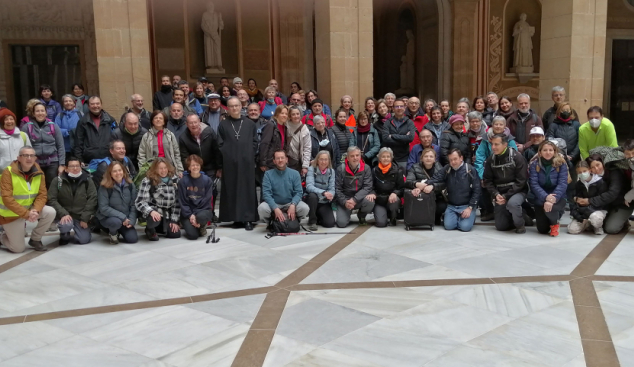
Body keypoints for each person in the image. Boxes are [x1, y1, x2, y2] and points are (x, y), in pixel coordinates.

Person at [0, 146, 55, 252]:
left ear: (35, 158)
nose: (29, 158)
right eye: (25, 155)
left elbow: (42, 195)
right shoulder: (8, 172)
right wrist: (26, 214)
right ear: (19, 158)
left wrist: (36, 210)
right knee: (18, 249)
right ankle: (2, 237)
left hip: (29, 210)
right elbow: (7, 198)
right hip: (11, 214)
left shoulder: (39, 172)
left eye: (32, 155)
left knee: (50, 212)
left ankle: (35, 239)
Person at [218, 97, 259, 230]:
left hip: (247, 163)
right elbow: (220, 143)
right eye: (231, 106)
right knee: (232, 190)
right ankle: (236, 218)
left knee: (247, 190)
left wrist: (248, 153)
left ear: (241, 107)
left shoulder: (250, 124)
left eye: (236, 106)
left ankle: (248, 219)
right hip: (230, 164)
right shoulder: (223, 125)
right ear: (227, 108)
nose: (234, 108)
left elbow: (255, 142)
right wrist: (229, 154)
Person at [422, 149, 480, 231]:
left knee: (465, 227)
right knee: (449, 226)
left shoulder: (470, 169)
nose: (453, 162)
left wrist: (470, 207)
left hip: (466, 205)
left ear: (461, 158)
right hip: (452, 206)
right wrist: (422, 185)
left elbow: (477, 190)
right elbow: (436, 178)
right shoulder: (447, 169)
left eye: (455, 159)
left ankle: (470, 217)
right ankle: (455, 217)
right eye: (450, 160)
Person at [483, 134, 528, 233]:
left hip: (517, 191)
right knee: (501, 226)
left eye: (496, 144)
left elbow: (521, 181)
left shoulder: (517, 157)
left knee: (513, 204)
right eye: (492, 144)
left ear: (505, 145)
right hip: (500, 193)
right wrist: (496, 194)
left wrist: (506, 196)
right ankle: (521, 215)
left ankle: (520, 225)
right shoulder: (490, 160)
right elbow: (487, 181)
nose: (493, 147)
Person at [48, 156, 97, 245]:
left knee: (84, 240)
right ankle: (64, 234)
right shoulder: (58, 181)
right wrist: (63, 213)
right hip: (64, 214)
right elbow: (52, 199)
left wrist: (85, 218)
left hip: (80, 215)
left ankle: (82, 231)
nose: (75, 168)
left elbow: (92, 198)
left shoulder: (87, 180)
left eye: (77, 166)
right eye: (71, 166)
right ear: (66, 168)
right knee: (66, 225)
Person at [22, 102, 66, 191]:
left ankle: (51, 204)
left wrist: (62, 164)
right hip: (35, 162)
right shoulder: (27, 127)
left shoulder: (54, 126)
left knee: (52, 186)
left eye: (42, 111)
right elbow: (23, 148)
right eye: (37, 111)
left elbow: (60, 146)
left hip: (52, 162)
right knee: (37, 186)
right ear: (33, 113)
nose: (40, 113)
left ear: (46, 113)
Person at [528, 141, 568, 236]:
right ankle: (551, 217)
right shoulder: (534, 165)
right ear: (540, 152)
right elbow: (534, 184)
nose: (548, 152)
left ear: (555, 152)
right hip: (541, 197)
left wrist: (552, 198)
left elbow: (562, 183)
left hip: (558, 196)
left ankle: (555, 224)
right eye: (545, 150)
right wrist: (546, 197)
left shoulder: (561, 164)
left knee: (550, 209)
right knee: (542, 230)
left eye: (551, 150)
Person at [258, 150, 309, 225]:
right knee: (262, 208)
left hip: (290, 203)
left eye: (282, 158)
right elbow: (266, 194)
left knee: (305, 208)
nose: (280, 160)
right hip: (275, 203)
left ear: (286, 159)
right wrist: (275, 208)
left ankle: (293, 220)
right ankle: (272, 222)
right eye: (278, 158)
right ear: (274, 161)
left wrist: (293, 205)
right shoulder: (268, 174)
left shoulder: (295, 173)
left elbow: (298, 192)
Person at [135, 158, 181, 241]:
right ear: (155, 169)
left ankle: (162, 228)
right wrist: (151, 211)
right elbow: (140, 202)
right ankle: (150, 229)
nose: (163, 171)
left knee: (175, 234)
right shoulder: (148, 180)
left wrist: (174, 220)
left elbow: (177, 202)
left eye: (165, 168)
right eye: (160, 168)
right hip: (154, 212)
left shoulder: (174, 179)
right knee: (154, 220)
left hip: (167, 213)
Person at [584, 154, 631, 234]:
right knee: (595, 223)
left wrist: (590, 201)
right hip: (606, 204)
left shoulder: (614, 172)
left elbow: (612, 194)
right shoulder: (592, 177)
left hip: (621, 204)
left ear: (602, 163)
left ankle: (624, 222)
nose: (596, 168)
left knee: (610, 229)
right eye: (592, 167)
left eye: (598, 165)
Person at [97, 161, 138, 244]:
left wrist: (131, 220)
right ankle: (113, 234)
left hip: (125, 219)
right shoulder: (104, 186)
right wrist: (123, 217)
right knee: (115, 223)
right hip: (109, 218)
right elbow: (104, 208)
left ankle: (120, 230)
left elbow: (133, 204)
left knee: (132, 239)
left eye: (120, 170)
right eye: (114, 171)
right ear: (110, 173)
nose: (118, 173)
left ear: (123, 171)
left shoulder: (130, 185)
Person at [335, 146, 374, 227]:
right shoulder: (340, 169)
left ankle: (361, 216)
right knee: (341, 224)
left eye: (357, 155)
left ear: (360, 156)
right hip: (345, 199)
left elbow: (367, 187)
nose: (355, 158)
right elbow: (337, 189)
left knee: (370, 201)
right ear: (348, 158)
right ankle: (346, 214)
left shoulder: (366, 168)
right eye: (352, 156)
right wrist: (345, 202)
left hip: (359, 198)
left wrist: (354, 199)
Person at [406, 148, 447, 224]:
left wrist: (433, 187)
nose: (428, 158)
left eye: (431, 156)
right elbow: (408, 181)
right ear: (421, 158)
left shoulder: (439, 167)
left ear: (435, 159)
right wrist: (416, 184)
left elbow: (444, 183)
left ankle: (436, 217)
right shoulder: (414, 167)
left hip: (436, 197)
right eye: (426, 156)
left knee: (442, 206)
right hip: (420, 196)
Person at [366, 148, 405, 227]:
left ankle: (393, 217)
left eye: (388, 156)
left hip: (392, 199)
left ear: (391, 158)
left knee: (394, 201)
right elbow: (370, 186)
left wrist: (395, 193)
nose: (386, 159)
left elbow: (402, 188)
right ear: (379, 158)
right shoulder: (374, 171)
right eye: (383, 156)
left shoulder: (398, 170)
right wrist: (372, 193)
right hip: (379, 200)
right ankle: (381, 214)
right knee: (381, 224)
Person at [178, 154, 214, 240]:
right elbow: (183, 201)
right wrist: (190, 215)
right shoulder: (183, 182)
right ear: (189, 167)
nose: (195, 167)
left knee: (201, 217)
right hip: (188, 213)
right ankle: (193, 225)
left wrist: (195, 215)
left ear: (200, 166)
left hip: (202, 210)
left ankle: (201, 225)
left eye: (197, 165)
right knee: (193, 236)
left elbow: (207, 200)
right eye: (192, 165)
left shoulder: (207, 180)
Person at [73, 96, 116, 166]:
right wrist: (79, 159)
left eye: (97, 103)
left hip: (108, 160)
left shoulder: (110, 120)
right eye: (92, 104)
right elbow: (78, 142)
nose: (95, 106)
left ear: (101, 105)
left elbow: (116, 139)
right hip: (89, 160)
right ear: (88, 106)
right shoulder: (83, 122)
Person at [569, 160, 608, 235]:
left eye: (584, 171)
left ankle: (597, 226)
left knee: (595, 218)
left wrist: (586, 212)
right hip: (582, 211)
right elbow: (573, 201)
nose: (582, 174)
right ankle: (587, 224)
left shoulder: (600, 182)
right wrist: (578, 216)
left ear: (589, 170)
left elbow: (602, 202)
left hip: (597, 210)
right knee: (572, 230)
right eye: (579, 172)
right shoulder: (578, 184)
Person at [305, 150, 336, 231]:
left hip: (324, 201)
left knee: (330, 223)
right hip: (314, 200)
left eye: (326, 159)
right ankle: (312, 221)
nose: (323, 162)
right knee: (312, 196)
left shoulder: (331, 172)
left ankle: (319, 215)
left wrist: (330, 194)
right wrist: (323, 192)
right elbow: (309, 186)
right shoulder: (312, 169)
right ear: (317, 160)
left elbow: (332, 188)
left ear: (329, 161)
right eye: (321, 159)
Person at [382, 99, 416, 169]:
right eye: (397, 107)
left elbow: (410, 138)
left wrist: (392, 136)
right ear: (393, 109)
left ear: (404, 108)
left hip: (404, 157)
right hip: (389, 157)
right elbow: (385, 138)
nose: (399, 108)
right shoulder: (388, 122)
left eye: (401, 106)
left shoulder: (409, 122)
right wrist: (404, 139)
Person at [259, 105, 288, 171]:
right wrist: (263, 162)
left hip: (279, 161)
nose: (284, 115)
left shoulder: (285, 127)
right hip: (270, 161)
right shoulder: (271, 125)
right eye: (282, 113)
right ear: (277, 114)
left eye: (286, 114)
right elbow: (265, 143)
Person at [285, 106, 311, 175]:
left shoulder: (304, 129)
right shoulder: (285, 125)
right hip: (286, 159)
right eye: (293, 114)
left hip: (297, 162)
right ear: (290, 116)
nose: (296, 116)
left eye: (297, 114)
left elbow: (307, 148)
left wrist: (305, 166)